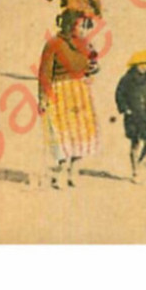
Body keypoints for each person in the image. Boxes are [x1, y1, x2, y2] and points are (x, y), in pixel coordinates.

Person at [38, 10, 101, 189]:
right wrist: (43, 97)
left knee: (81, 133)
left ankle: (74, 170)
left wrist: (92, 69)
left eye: (85, 26)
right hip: (59, 92)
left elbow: (90, 66)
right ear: (69, 25)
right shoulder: (54, 45)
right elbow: (45, 73)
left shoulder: (85, 44)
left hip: (79, 92)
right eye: (80, 25)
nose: (83, 29)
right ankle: (60, 171)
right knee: (61, 135)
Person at [114, 50, 146, 183]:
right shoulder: (127, 79)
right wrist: (125, 109)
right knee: (135, 143)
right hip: (133, 116)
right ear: (135, 65)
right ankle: (135, 171)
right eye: (141, 64)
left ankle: (139, 162)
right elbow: (119, 94)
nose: (144, 67)